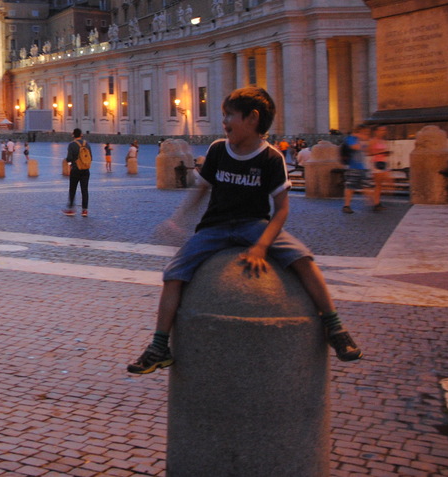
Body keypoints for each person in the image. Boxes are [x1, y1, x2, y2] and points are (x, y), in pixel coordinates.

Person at [127, 87, 362, 375]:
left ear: (252, 118)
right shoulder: (217, 150)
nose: (224, 121)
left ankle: (335, 328)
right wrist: (178, 220)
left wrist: (262, 245)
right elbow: (201, 190)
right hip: (214, 227)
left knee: (303, 259)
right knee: (173, 274)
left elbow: (282, 210)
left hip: (254, 225)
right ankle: (159, 346)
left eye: (230, 115)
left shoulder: (271, 158)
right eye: (224, 115)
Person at [342, 123, 372, 214]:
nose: (367, 134)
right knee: (350, 187)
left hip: (363, 167)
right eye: (365, 132)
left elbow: (368, 151)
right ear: (359, 131)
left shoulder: (360, 140)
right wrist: (363, 140)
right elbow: (355, 147)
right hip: (352, 167)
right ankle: (346, 206)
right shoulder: (351, 138)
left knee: (366, 186)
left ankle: (373, 203)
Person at [63, 128, 92, 217]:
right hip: (85, 170)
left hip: (75, 170)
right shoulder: (87, 144)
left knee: (72, 189)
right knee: (85, 190)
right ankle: (84, 210)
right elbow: (91, 157)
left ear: (73, 135)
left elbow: (69, 158)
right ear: (81, 134)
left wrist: (70, 165)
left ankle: (71, 209)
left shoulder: (72, 144)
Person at [368, 125, 392, 212]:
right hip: (376, 164)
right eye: (381, 130)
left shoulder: (383, 141)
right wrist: (381, 152)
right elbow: (369, 153)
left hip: (383, 163)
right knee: (378, 185)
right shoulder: (372, 141)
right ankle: (376, 203)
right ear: (376, 131)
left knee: (382, 184)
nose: (383, 132)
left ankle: (376, 202)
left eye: (384, 130)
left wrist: (386, 153)